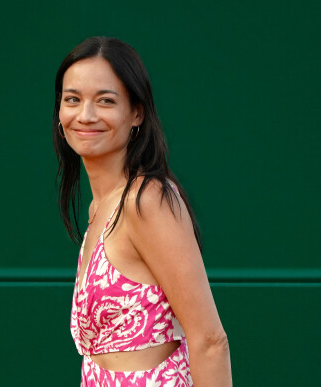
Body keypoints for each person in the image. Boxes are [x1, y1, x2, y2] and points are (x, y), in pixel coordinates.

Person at [52, 36, 232, 387]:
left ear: (137, 113)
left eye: (105, 101)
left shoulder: (146, 199)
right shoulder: (100, 208)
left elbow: (210, 341)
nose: (85, 115)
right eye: (72, 100)